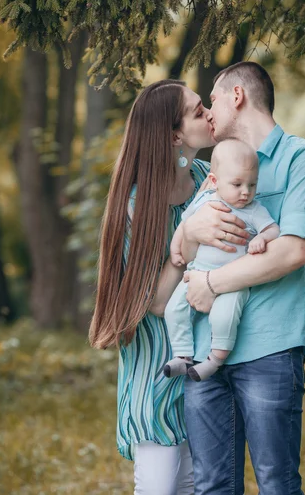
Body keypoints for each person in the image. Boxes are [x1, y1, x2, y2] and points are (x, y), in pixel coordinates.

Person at [88, 79, 249, 495]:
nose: (210, 114)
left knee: (199, 483)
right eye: (199, 112)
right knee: (160, 488)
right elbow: (156, 303)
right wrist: (188, 238)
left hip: (202, 361)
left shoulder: (205, 179)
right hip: (154, 369)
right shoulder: (138, 204)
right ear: (175, 134)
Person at [182, 61, 305, 494]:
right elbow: (188, 247)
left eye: (211, 99)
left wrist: (212, 284)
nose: (208, 112)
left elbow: (293, 249)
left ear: (237, 96)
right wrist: (190, 234)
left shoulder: (304, 159)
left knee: (276, 484)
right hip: (203, 355)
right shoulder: (212, 175)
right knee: (211, 485)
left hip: (270, 352)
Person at [164, 139, 280, 382]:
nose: (246, 192)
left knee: (223, 318)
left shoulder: (253, 209)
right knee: (174, 309)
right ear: (215, 181)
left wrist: (263, 239)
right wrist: (176, 248)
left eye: (252, 184)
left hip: (232, 279)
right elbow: (185, 225)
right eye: (237, 184)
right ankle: (183, 355)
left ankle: (214, 360)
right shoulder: (205, 199)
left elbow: (273, 229)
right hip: (197, 272)